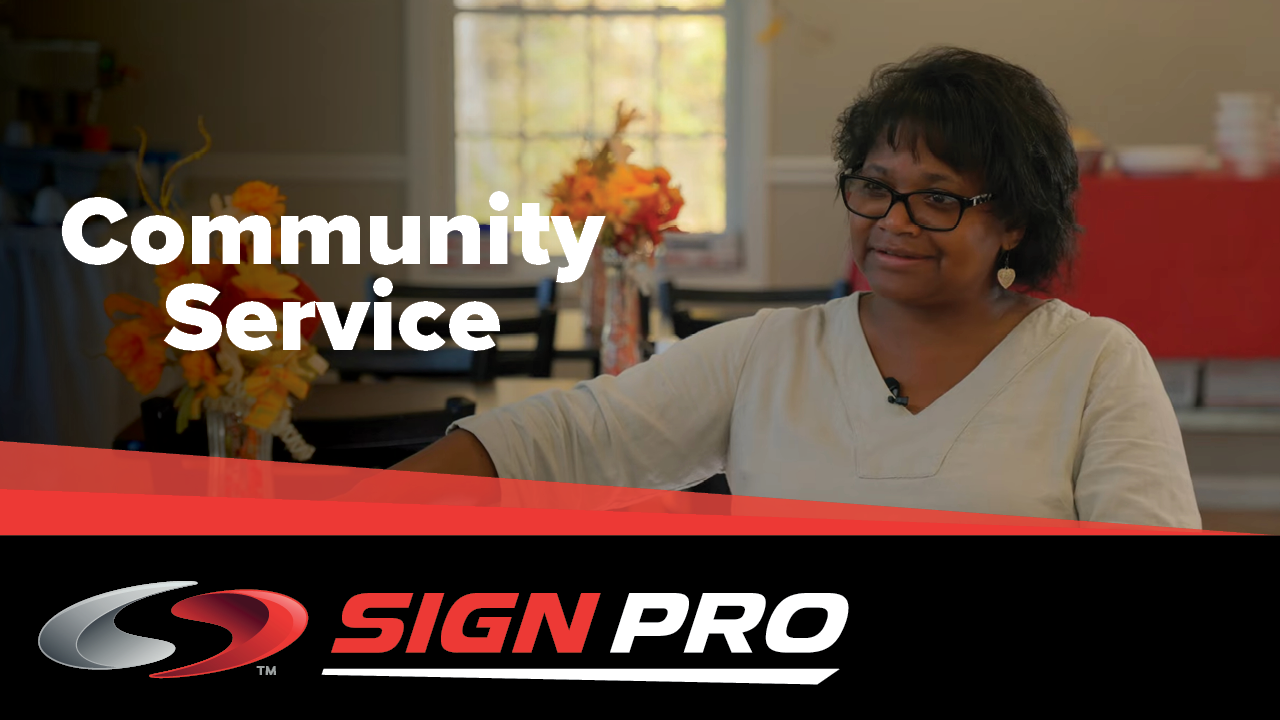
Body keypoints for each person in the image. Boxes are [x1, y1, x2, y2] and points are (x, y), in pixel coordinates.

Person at [391, 47, 1202, 529]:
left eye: (940, 197)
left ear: (1016, 222)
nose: (895, 220)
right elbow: (559, 441)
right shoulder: (768, 353)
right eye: (875, 186)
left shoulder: (1094, 364)